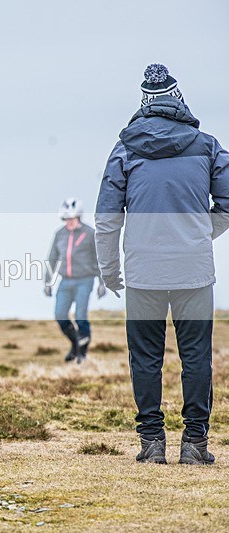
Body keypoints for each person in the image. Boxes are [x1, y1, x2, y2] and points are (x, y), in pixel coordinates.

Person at [96, 64, 229, 465]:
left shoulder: (124, 149)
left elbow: (107, 218)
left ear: (144, 102)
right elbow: (226, 205)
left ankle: (152, 444)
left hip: (143, 271)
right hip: (193, 270)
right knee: (196, 358)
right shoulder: (207, 146)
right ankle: (195, 445)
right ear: (178, 98)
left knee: (145, 359)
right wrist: (197, 234)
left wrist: (109, 270)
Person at [44, 197, 106, 363]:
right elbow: (52, 259)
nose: (69, 222)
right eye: (66, 219)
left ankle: (82, 354)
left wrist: (102, 283)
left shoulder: (90, 233)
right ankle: (75, 345)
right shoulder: (59, 234)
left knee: (80, 315)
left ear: (79, 216)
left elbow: (99, 259)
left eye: (72, 218)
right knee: (60, 315)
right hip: (65, 281)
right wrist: (47, 282)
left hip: (85, 280)